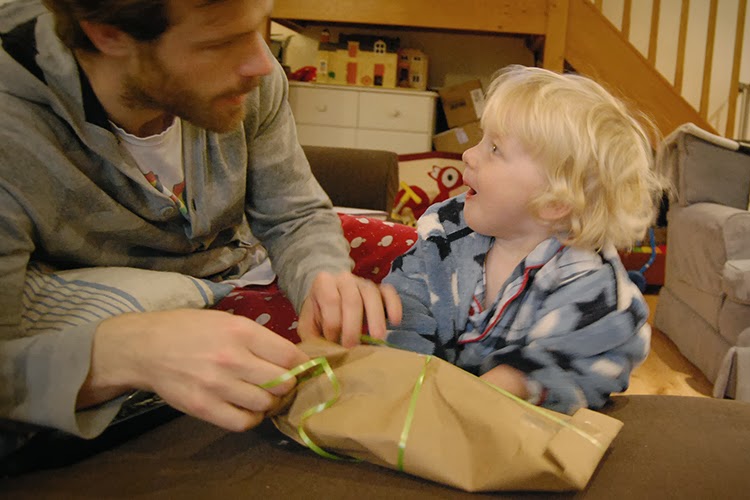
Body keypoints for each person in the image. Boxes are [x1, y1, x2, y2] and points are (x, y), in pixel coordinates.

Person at [0, 0, 401, 451]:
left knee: (414, 260)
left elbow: (294, 213)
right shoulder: (12, 129)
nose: (262, 64)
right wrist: (120, 354)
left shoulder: (249, 84)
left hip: (245, 266)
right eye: (221, 42)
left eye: (256, 29)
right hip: (168, 308)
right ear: (108, 35)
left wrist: (320, 276)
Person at [379, 65, 664, 415]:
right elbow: (406, 301)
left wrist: (515, 381)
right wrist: (406, 376)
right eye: (481, 139)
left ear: (554, 201)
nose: (469, 154)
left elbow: (593, 359)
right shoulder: (446, 230)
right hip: (420, 407)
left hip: (508, 425)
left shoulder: (591, 285)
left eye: (495, 148)